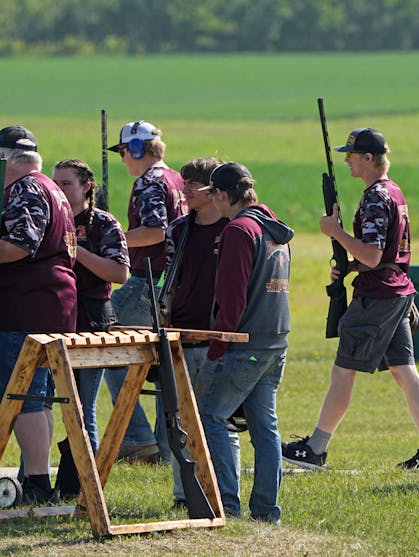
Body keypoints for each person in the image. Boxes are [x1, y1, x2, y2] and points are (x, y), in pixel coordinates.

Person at [282, 127, 419, 471]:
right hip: (397, 291)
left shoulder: (376, 196)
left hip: (377, 296)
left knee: (343, 373)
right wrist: (349, 266)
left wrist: (336, 233)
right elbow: (383, 254)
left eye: (352, 154)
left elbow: (374, 256)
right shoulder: (394, 191)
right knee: (405, 372)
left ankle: (315, 448)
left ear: (369, 158)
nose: (347, 160)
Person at [0, 126, 77, 503]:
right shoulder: (51, 188)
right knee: (36, 397)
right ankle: (38, 479)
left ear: (5, 159)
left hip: (26, 305)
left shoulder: (25, 188)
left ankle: (37, 481)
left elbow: (20, 245)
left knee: (22, 398)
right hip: (51, 302)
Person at [193, 162, 291, 521]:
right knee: (265, 428)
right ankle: (266, 510)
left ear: (222, 194)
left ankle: (225, 506)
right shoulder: (272, 226)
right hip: (275, 339)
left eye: (213, 196)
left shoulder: (238, 230)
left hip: (243, 343)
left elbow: (232, 298)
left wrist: (218, 346)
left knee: (210, 416)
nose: (213, 204)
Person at [104, 120, 188, 463]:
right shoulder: (176, 179)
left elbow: (154, 231)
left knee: (105, 344)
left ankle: (137, 437)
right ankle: (163, 444)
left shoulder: (148, 182)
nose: (123, 159)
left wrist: (115, 237)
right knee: (162, 364)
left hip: (146, 281)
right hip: (171, 283)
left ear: (136, 151)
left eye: (124, 151)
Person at [162, 157, 234, 506]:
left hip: (219, 338)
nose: (185, 189)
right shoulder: (178, 229)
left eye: (194, 182)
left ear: (215, 189)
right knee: (179, 422)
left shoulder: (234, 229)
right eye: (184, 181)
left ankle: (223, 497)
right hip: (180, 335)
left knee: (221, 422)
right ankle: (184, 496)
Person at [52, 159, 128, 452]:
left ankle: (89, 484)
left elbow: (119, 273)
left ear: (86, 187)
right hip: (54, 317)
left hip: (91, 320)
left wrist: (77, 251)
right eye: (54, 182)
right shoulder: (47, 217)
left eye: (66, 183)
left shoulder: (102, 223)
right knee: (39, 405)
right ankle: (33, 477)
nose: (58, 188)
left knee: (83, 409)